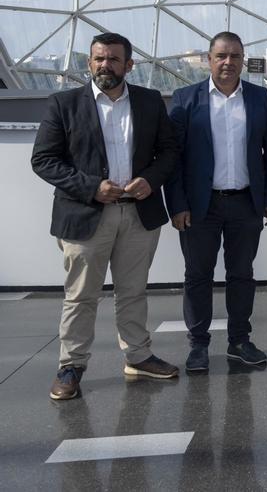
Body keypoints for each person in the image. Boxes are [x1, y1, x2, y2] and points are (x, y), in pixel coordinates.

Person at [31, 32, 181, 400]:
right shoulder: (64, 104)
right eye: (99, 59)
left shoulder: (149, 102)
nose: (105, 65)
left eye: (114, 59)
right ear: (89, 63)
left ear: (129, 65)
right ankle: (71, 366)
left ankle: (138, 355)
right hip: (85, 215)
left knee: (133, 292)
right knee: (81, 296)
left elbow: (169, 152)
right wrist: (91, 187)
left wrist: (151, 179)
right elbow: (44, 160)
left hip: (137, 215)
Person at [166, 31, 267, 372]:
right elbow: (173, 158)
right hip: (200, 206)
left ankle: (239, 340)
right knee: (198, 276)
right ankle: (198, 345)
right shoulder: (187, 99)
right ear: (209, 59)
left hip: (246, 203)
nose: (228, 62)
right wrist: (177, 205)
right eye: (221, 56)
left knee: (242, 275)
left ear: (243, 59)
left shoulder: (260, 98)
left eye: (234, 56)